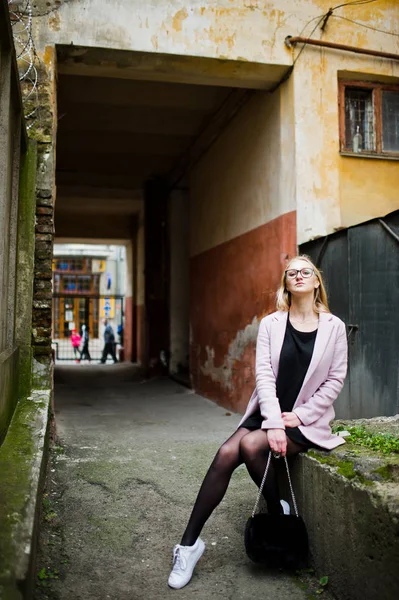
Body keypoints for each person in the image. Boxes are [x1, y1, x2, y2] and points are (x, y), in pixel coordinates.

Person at [168, 255, 348, 590]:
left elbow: (335, 380)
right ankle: (189, 546)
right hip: (269, 412)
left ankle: (275, 504)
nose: (298, 275)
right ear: (286, 282)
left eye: (305, 271)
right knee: (225, 454)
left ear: (316, 281)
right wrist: (273, 421)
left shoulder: (334, 327)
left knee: (251, 444)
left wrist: (300, 416)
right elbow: (264, 375)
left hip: (305, 419)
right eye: (291, 272)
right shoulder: (271, 324)